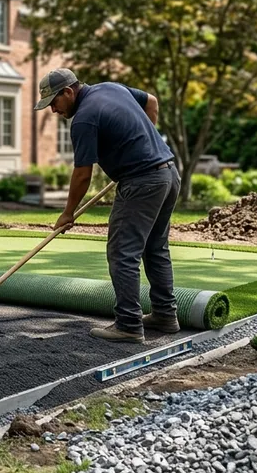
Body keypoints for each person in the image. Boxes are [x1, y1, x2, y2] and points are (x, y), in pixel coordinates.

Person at [35, 68, 180, 343]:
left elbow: (82, 173)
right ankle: (164, 314)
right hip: (168, 175)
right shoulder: (111, 88)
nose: (53, 110)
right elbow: (151, 101)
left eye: (54, 102)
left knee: (122, 253)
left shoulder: (83, 119)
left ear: (68, 91)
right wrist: (143, 145)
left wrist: (67, 213)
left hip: (142, 182)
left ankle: (128, 325)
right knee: (155, 248)